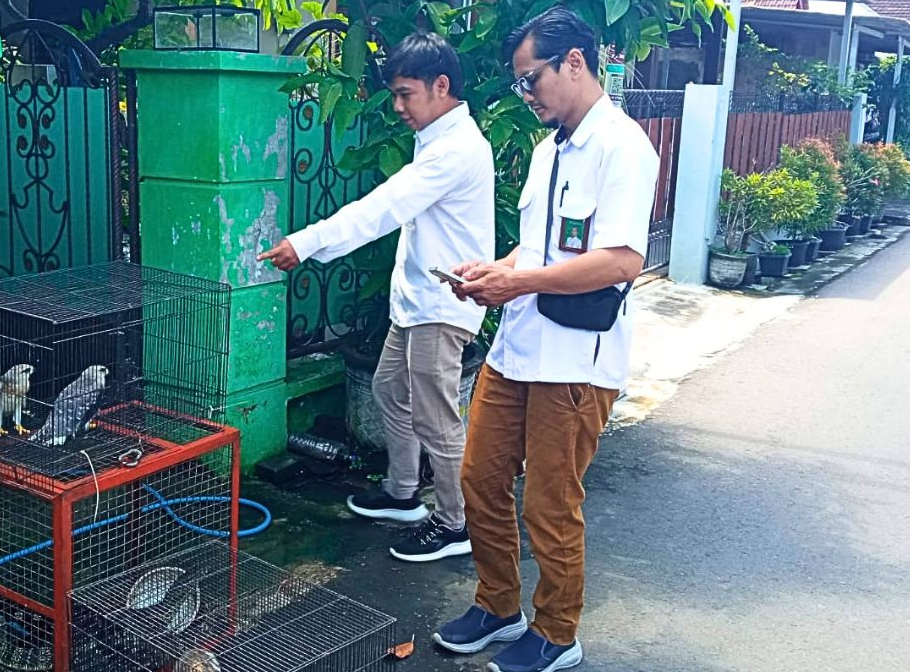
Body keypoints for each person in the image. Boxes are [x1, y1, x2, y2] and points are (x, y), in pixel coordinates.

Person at [430, 7, 659, 672]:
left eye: (532, 80)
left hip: (576, 362)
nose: (525, 94)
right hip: (518, 348)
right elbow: (538, 248)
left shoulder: (623, 149)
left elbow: (621, 261)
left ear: (575, 64)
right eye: (520, 84)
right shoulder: (547, 149)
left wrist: (519, 280)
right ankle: (499, 606)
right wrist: (492, 272)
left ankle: (558, 632)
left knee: (551, 502)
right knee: (479, 478)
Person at [258, 32, 495, 562]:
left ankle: (456, 524)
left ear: (441, 86)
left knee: (437, 418)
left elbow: (383, 207)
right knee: (389, 388)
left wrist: (308, 241)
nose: (397, 106)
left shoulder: (455, 150)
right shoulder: (437, 139)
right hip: (418, 301)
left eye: (406, 94)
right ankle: (402, 492)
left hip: (441, 305)